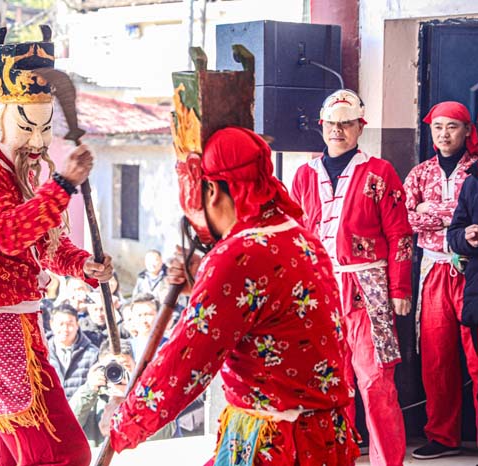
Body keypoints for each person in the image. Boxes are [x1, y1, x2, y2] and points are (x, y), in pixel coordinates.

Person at [102, 126, 358, 464]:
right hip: (322, 436)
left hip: (277, 443)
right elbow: (265, 304)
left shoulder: (237, 256)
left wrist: (125, 421)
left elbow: (186, 363)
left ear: (211, 191)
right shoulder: (301, 237)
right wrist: (202, 280)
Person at [0, 26, 112, 466]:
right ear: (0, 118)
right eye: (27, 127)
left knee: (16, 456)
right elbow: (9, 233)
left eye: (45, 129)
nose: (37, 142)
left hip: (21, 323)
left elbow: (46, 245)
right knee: (60, 453)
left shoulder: (21, 173)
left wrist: (83, 265)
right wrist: (63, 183)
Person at [291, 89, 412, 466]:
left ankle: (387, 461)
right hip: (319, 290)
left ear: (361, 127)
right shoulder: (304, 175)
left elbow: (400, 234)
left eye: (346, 124)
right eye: (331, 124)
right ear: (321, 126)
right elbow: (294, 233)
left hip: (368, 289)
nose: (338, 130)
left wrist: (400, 287)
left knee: (376, 381)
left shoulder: (380, 172)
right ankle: (335, 458)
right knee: (330, 382)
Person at [404, 100, 478, 460]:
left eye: (452, 126)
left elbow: (424, 215)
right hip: (433, 270)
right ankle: (443, 436)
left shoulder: (475, 171)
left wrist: (429, 210)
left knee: (476, 357)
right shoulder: (420, 174)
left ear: (467, 130)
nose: (444, 134)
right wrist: (450, 217)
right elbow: (404, 218)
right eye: (438, 127)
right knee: (437, 356)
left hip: (471, 270)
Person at [70, 339, 175, 447]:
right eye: (112, 368)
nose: (118, 373)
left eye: (125, 366)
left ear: (136, 367)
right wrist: (89, 388)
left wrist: (134, 396)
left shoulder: (149, 394)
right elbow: (67, 427)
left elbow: (165, 432)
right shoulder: (92, 399)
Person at [48, 304, 99, 400]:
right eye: (61, 324)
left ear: (77, 325)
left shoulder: (93, 354)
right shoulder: (42, 353)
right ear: (51, 324)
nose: (65, 329)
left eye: (70, 324)